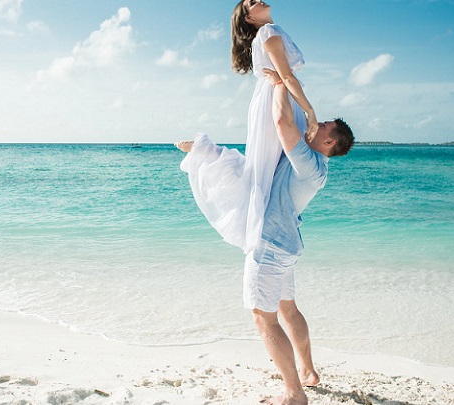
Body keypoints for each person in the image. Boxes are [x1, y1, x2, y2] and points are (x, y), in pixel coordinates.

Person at [176, 67, 354, 405]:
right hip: (286, 246)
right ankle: (309, 372)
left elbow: (283, 125)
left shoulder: (309, 163)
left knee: (263, 318)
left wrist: (277, 85)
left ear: (329, 141)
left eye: (322, 127)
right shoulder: (317, 164)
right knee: (288, 311)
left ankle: (294, 393)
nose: (315, 127)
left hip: (271, 246)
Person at [234, 0, 319, 253]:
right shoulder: (268, 32)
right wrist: (310, 110)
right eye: (251, 2)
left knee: (270, 166)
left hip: (275, 95)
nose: (258, 0)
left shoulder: (269, 31)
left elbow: (285, 77)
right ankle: (266, 237)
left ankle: (267, 233)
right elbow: (287, 77)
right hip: (277, 95)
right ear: (249, 18)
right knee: (273, 164)